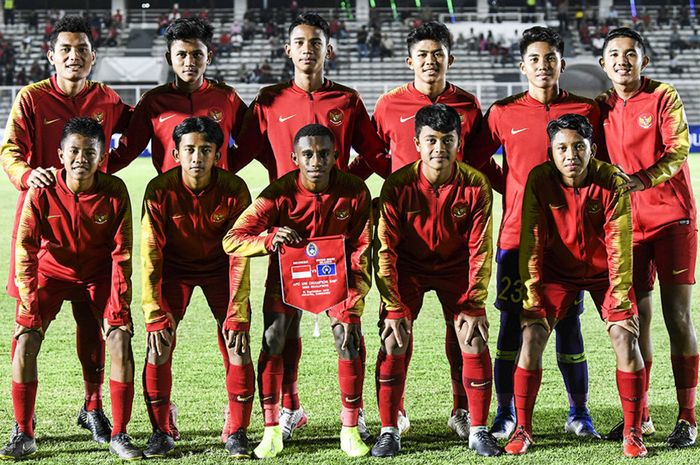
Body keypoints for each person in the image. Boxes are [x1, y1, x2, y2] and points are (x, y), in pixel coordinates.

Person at [230, 13, 387, 440]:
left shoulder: (348, 100)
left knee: (346, 326)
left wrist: (341, 179)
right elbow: (238, 156)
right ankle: (290, 407)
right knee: (282, 328)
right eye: (299, 42)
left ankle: (354, 418)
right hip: (287, 231)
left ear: (327, 50)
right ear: (288, 50)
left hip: (335, 234)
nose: (307, 49)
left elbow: (374, 155)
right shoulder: (268, 100)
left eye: (315, 42)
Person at [351, 21, 495, 440]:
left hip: (455, 232)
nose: (430, 62)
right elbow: (374, 155)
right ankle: (390, 420)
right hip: (405, 237)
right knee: (395, 333)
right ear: (409, 60)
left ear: (450, 58)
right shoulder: (389, 104)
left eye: (438, 54)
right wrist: (343, 187)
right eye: (423, 55)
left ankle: (465, 413)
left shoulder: (468, 105)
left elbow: (483, 162)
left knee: (465, 333)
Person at [0, 15, 132, 446]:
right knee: (28, 330)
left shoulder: (108, 99)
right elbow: (10, 149)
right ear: (51, 55)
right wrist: (26, 174)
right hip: (44, 224)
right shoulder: (32, 97)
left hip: (94, 221)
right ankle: (25, 430)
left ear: (93, 57)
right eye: (65, 50)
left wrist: (107, 171)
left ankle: (93, 408)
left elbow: (137, 132)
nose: (73, 57)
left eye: (81, 50)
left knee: (92, 328)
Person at [469, 26, 602, 440]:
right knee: (512, 324)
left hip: (570, 241)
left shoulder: (586, 110)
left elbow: (602, 165)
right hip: (517, 238)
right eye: (535, 59)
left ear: (561, 63)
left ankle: (578, 411)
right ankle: (506, 412)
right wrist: (509, 185)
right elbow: (474, 161)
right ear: (522, 65)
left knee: (568, 325)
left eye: (551, 59)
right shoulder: (503, 111)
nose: (543, 66)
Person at [223, 123, 372, 458]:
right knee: (274, 337)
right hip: (288, 277)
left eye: (323, 153)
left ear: (337, 155)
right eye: (308, 154)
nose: (316, 160)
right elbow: (232, 238)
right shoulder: (278, 193)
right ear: (295, 158)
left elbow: (364, 249)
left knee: (347, 337)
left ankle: (350, 427)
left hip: (338, 278)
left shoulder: (355, 191)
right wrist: (268, 238)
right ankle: (272, 428)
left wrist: (354, 301)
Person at [505, 114, 647, 458]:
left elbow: (619, 246)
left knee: (625, 337)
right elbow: (532, 241)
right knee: (531, 335)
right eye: (562, 148)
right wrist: (533, 296)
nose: (571, 155)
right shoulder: (540, 179)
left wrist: (620, 301)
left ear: (592, 149)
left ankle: (633, 431)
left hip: (604, 273)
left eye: (578, 147)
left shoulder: (611, 180)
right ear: (550, 152)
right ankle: (524, 428)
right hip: (556, 272)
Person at [371, 104, 501, 458]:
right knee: (393, 340)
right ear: (416, 142)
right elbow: (385, 250)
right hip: (408, 268)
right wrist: (394, 306)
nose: (438, 148)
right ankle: (388, 429)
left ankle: (476, 428)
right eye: (430, 140)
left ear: (459, 143)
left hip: (455, 268)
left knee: (472, 338)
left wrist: (474, 302)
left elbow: (480, 250)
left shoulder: (476, 185)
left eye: (447, 140)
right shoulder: (397, 186)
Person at [597, 27, 698, 448]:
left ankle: (688, 418)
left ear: (644, 61)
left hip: (673, 220)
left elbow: (677, 151)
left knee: (678, 318)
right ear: (603, 64)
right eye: (614, 54)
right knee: (635, 322)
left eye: (631, 53)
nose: (622, 60)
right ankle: (641, 416)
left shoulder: (663, 97)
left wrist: (641, 180)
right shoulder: (598, 108)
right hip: (625, 227)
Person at [139, 117, 254, 458]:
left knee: (239, 345)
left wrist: (237, 313)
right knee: (157, 345)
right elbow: (150, 254)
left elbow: (240, 254)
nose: (197, 157)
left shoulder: (234, 189)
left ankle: (237, 429)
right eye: (189, 149)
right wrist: (153, 312)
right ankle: (161, 430)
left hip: (221, 269)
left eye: (205, 150)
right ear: (175, 153)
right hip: (175, 271)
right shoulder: (159, 190)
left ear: (218, 154)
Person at [107, 17, 247, 174]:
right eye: (181, 54)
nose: (189, 62)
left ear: (208, 57)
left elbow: (250, 143)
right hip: (169, 196)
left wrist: (226, 170)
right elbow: (126, 152)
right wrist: (89, 174)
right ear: (169, 58)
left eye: (197, 54)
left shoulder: (227, 97)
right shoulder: (152, 101)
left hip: (218, 196)